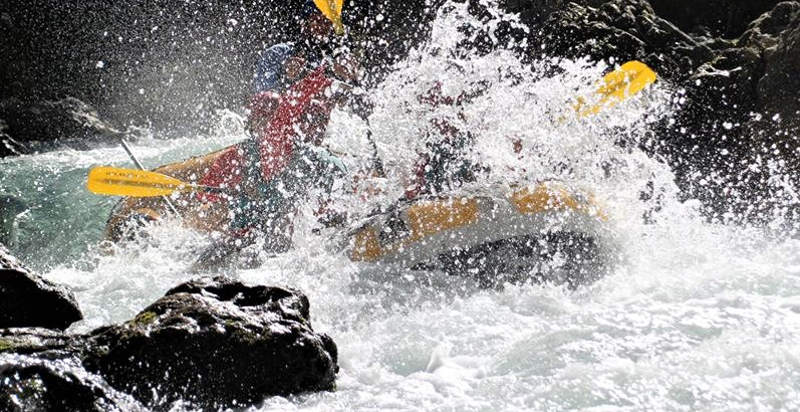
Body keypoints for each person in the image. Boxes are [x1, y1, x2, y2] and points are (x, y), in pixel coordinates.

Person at [192, 2, 357, 269]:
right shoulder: (279, 55)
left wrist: (349, 80)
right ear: (305, 22)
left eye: (326, 21)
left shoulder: (336, 62)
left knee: (315, 169)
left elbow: (347, 105)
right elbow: (271, 101)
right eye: (316, 19)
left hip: (300, 155)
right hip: (269, 180)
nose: (322, 25)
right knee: (240, 232)